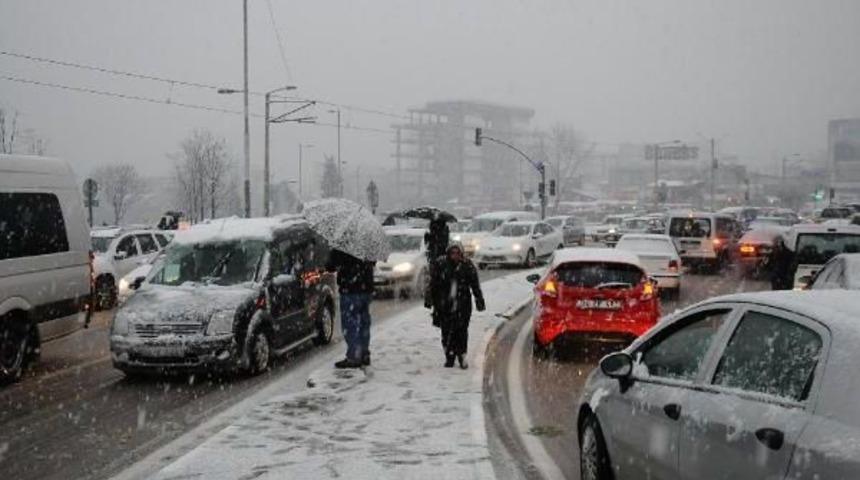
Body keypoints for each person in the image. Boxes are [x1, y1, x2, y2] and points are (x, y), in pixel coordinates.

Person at [426, 243, 485, 369]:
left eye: (457, 253)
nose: (455, 256)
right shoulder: (441, 264)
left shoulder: (467, 265)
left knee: (462, 330)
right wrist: (430, 300)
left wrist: (479, 299)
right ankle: (449, 355)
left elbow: (475, 284)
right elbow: (433, 283)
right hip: (445, 304)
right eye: (452, 253)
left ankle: (462, 354)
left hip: (463, 303)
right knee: (446, 331)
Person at [326, 249, 375, 369]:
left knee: (350, 323)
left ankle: (354, 355)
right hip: (366, 288)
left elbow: (330, 266)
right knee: (364, 321)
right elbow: (373, 261)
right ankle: (364, 353)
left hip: (350, 289)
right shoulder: (367, 243)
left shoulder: (343, 245)